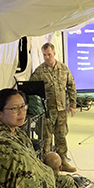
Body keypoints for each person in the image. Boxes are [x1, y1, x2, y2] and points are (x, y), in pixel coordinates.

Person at [30, 42, 77, 172]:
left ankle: (62, 162)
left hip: (61, 110)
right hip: (47, 112)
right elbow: (31, 90)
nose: (46, 57)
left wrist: (72, 105)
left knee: (61, 136)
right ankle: (47, 165)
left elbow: (71, 86)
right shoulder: (39, 72)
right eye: (44, 55)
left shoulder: (63, 69)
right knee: (46, 138)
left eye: (49, 54)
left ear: (54, 54)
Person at [0, 88, 34, 153]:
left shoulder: (17, 131)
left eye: (23, 106)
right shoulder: (2, 138)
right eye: (14, 108)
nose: (21, 112)